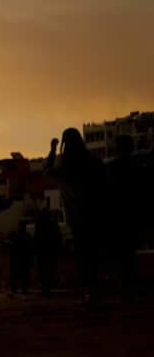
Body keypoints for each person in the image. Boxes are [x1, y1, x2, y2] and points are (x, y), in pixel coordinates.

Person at [45, 129, 106, 306]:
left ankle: (90, 293)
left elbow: (48, 171)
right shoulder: (93, 161)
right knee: (93, 255)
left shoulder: (65, 164)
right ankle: (96, 292)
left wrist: (52, 150)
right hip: (95, 215)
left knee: (83, 256)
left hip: (77, 218)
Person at [106, 135, 141, 300]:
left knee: (120, 255)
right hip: (129, 216)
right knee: (128, 254)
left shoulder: (111, 168)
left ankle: (123, 286)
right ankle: (127, 286)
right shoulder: (138, 166)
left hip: (116, 217)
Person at [34, 207, 62, 297]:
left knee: (44, 271)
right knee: (48, 271)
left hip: (44, 252)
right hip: (48, 252)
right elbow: (58, 238)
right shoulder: (52, 225)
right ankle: (46, 288)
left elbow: (36, 239)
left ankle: (45, 288)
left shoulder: (40, 225)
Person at [7, 220, 34, 296]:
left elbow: (12, 247)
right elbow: (31, 248)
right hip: (24, 259)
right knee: (24, 276)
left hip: (17, 259)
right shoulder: (27, 236)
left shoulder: (16, 236)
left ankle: (14, 290)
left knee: (15, 276)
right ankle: (23, 290)